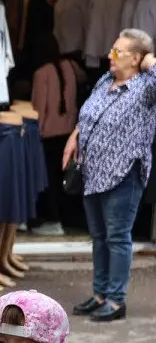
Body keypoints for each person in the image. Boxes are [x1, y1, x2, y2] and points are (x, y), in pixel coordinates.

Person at [63, 29, 156, 323]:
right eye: (111, 50)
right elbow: (88, 115)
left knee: (117, 238)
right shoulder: (105, 81)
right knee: (99, 237)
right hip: (93, 172)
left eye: (118, 52)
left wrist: (151, 60)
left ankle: (116, 300)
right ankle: (100, 293)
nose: (110, 56)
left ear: (136, 58)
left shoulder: (145, 88)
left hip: (123, 175)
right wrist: (75, 135)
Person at [30, 34, 84, 237]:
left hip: (49, 134)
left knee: (49, 179)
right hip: (68, 133)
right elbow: (83, 80)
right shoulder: (71, 67)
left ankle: (53, 220)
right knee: (66, 176)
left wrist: (36, 133)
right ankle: (68, 217)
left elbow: (39, 109)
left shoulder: (41, 73)